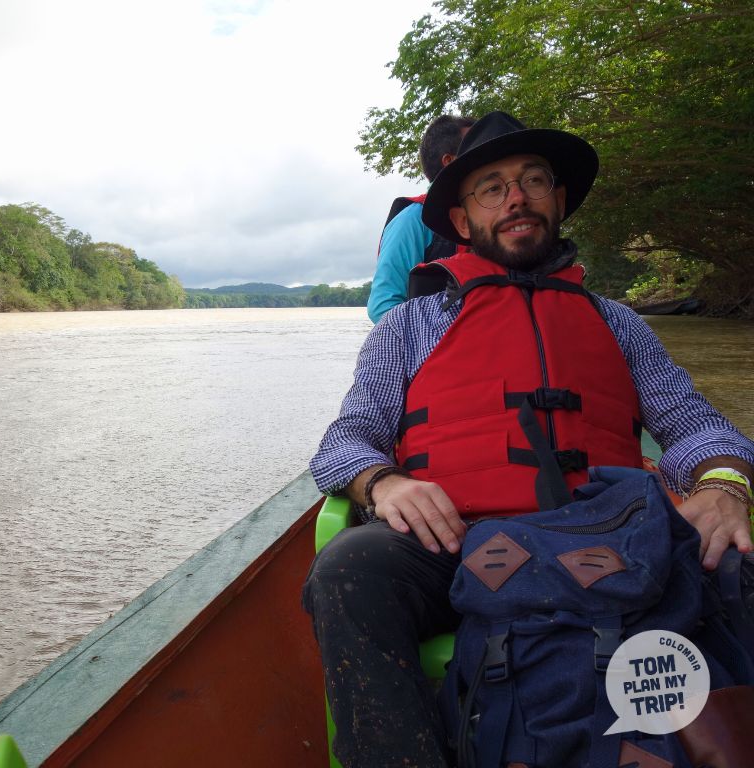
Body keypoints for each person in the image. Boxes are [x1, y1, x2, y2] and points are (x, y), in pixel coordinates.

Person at [303, 110, 754, 768]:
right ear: (462, 219)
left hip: (609, 530)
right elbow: (348, 438)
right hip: (455, 538)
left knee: (741, 562)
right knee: (347, 573)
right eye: (492, 186)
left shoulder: (617, 321)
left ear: (558, 201)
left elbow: (695, 423)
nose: (515, 197)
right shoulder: (407, 326)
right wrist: (384, 481)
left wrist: (722, 486)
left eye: (532, 180)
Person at [367, 115, 475, 324]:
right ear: (450, 162)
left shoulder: (491, 217)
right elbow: (382, 307)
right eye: (476, 147)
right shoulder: (413, 221)